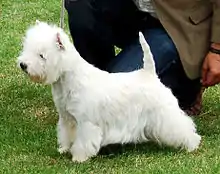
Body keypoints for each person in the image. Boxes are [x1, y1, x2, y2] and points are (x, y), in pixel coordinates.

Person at [64, 0, 220, 116]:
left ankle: (187, 88)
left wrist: (217, 50)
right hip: (134, 12)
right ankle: (95, 89)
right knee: (81, 4)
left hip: (179, 27)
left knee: (118, 99)